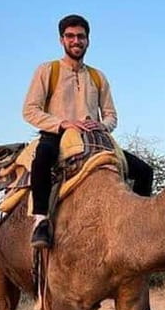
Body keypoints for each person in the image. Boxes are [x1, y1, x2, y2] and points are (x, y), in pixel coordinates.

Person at [22, 14, 153, 248]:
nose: (76, 41)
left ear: (88, 40)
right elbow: (30, 110)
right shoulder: (47, 70)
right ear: (61, 40)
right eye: (70, 36)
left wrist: (103, 125)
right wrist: (63, 123)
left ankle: (140, 225)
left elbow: (111, 114)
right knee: (41, 158)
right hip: (58, 134)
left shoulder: (97, 76)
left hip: (94, 138)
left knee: (144, 171)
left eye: (80, 36)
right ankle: (41, 220)